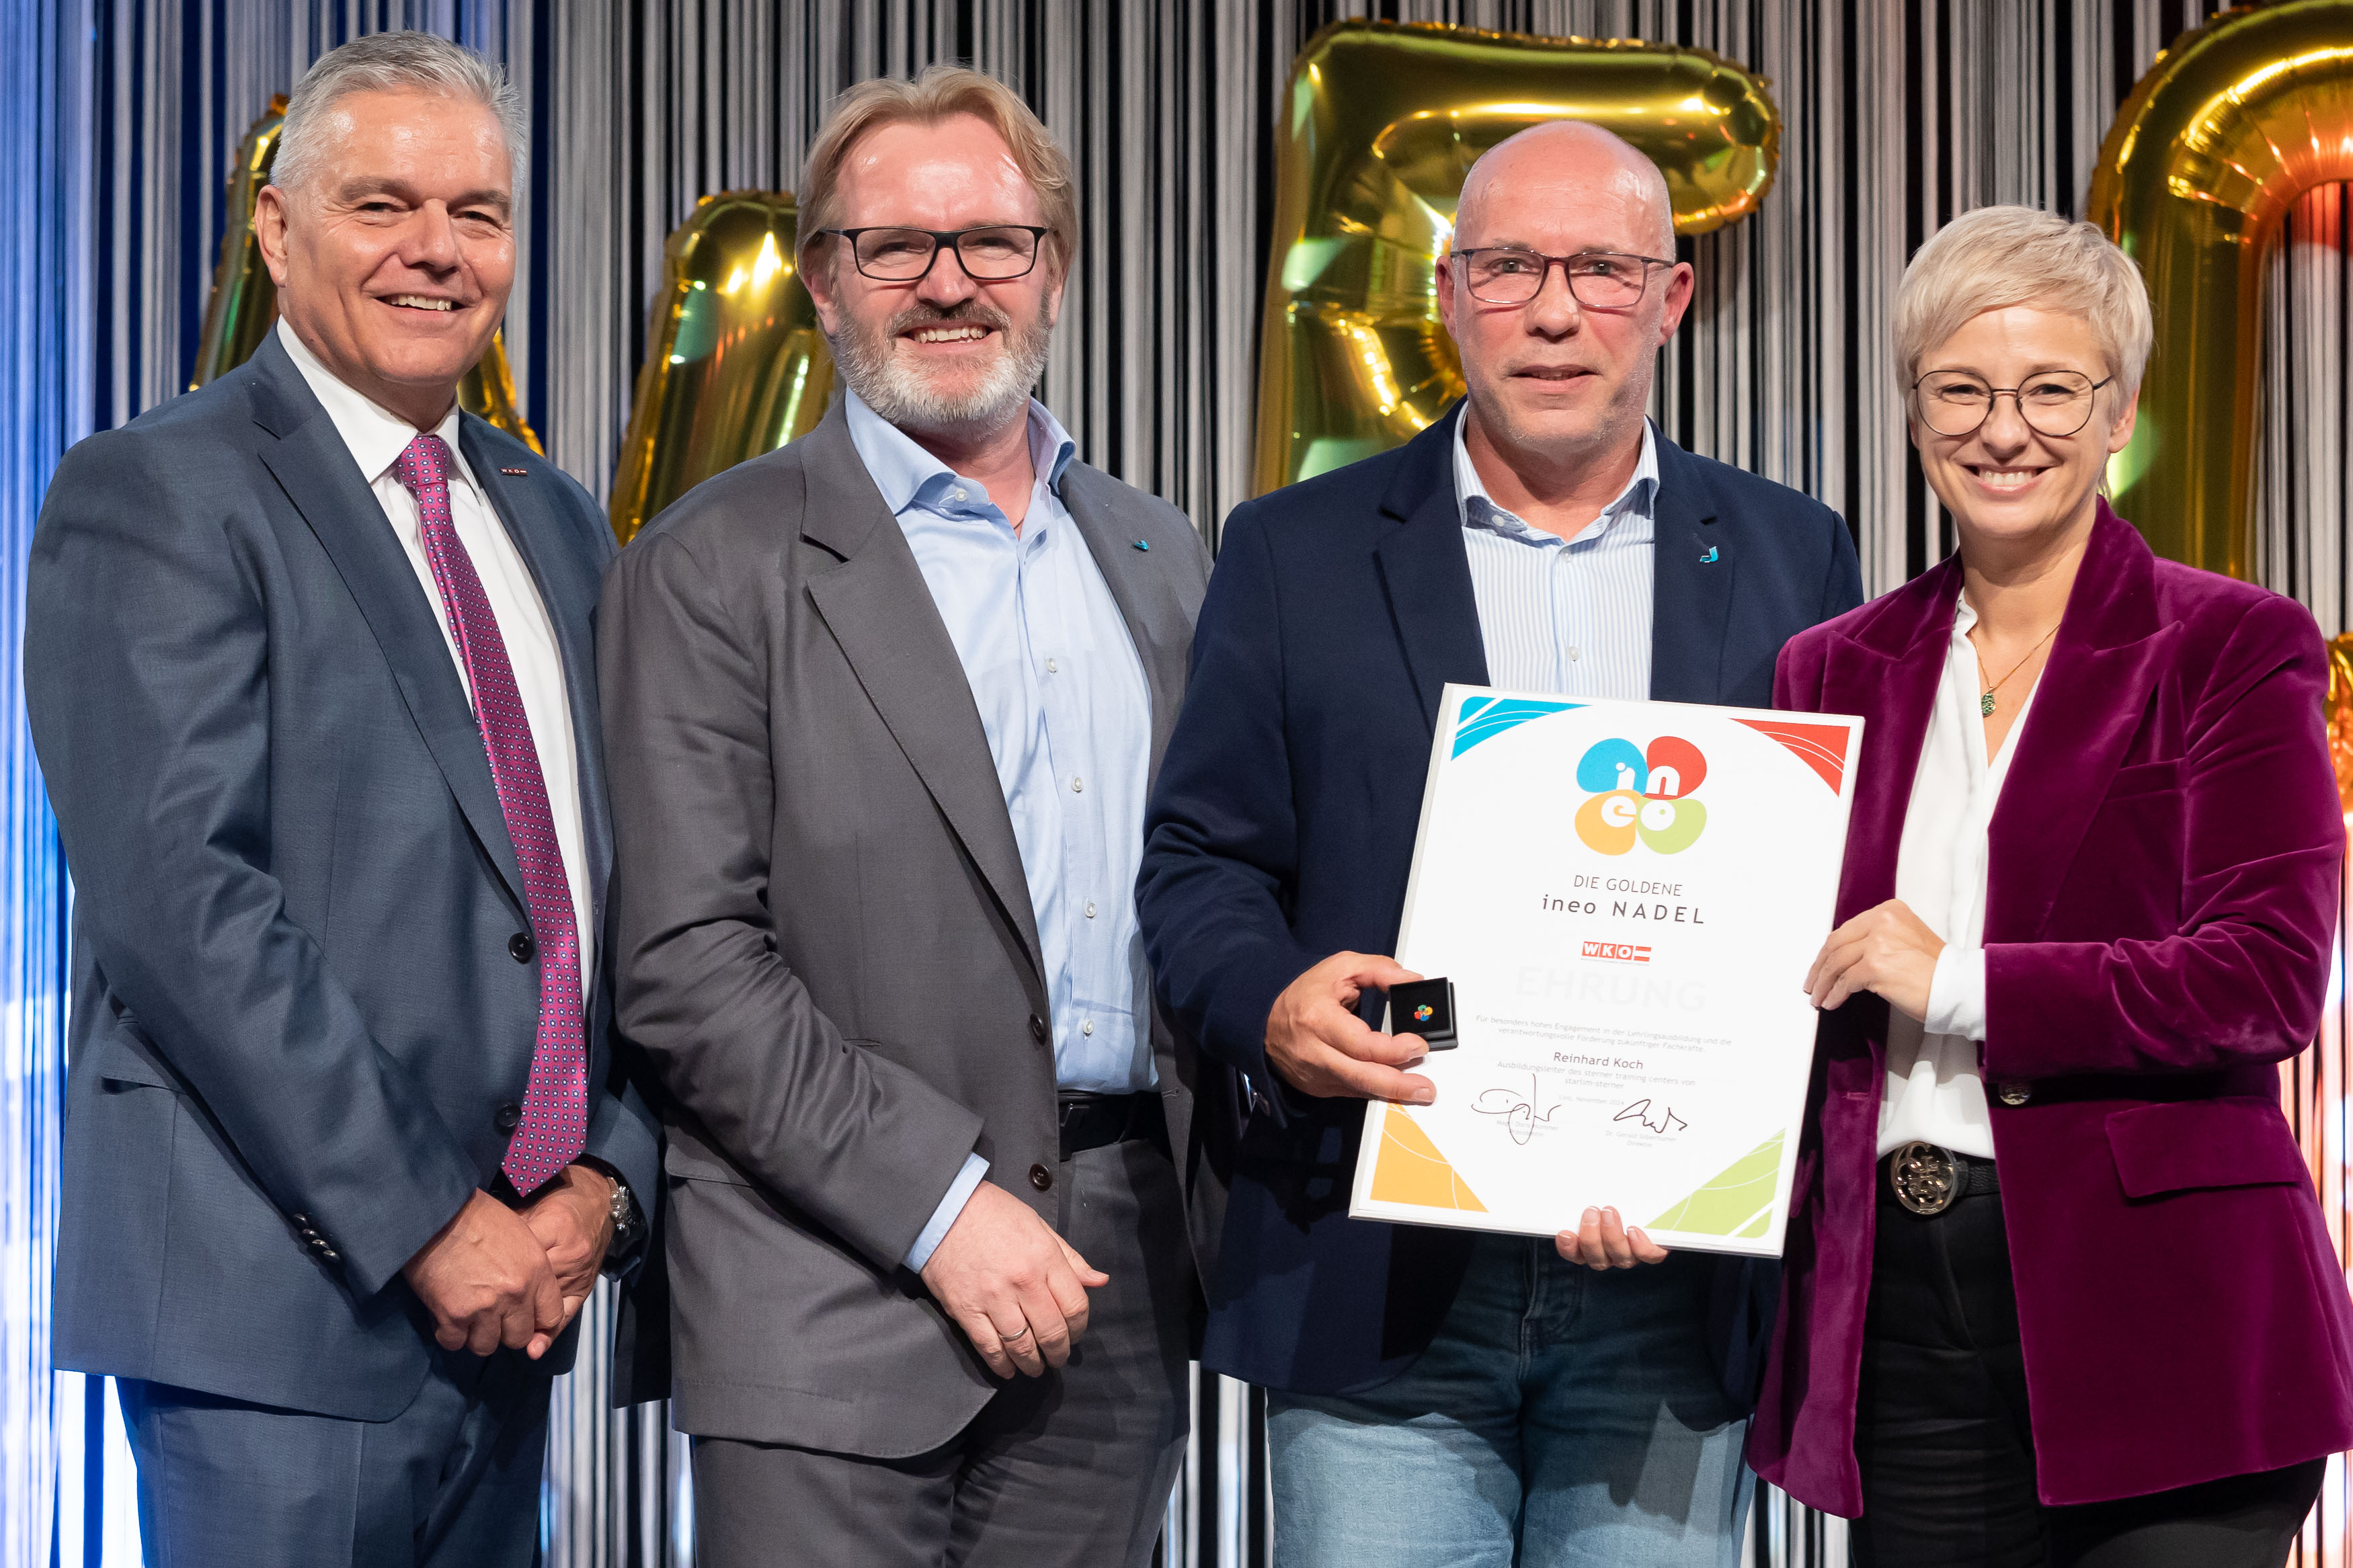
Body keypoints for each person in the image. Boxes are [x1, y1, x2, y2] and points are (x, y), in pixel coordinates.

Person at [1137, 120, 1862, 1568]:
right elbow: (1199, 862)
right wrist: (1270, 1006)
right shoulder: (1297, 548)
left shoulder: (1794, 551)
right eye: (1511, 265)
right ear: (1450, 291)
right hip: (1378, 1269)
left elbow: (1836, 878)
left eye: (1599, 268)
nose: (1550, 309)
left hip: (1674, 1292)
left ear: (1671, 299)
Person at [26, 32, 657, 1567]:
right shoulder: (157, 489)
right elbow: (183, 905)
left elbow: (616, 895)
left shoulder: (555, 520)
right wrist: (434, 1222)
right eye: (382, 205)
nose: (437, 252)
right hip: (277, 1323)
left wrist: (604, 1188)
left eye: (478, 213)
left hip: (518, 1312)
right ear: (276, 228)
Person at [598, 65, 1211, 1568]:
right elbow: (684, 962)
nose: (951, 285)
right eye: (896, 248)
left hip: (1114, 1281)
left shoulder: (1156, 552)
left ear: (1052, 270)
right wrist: (942, 1204)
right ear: (824, 281)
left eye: (993, 242)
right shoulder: (710, 564)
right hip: (828, 1288)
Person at [1749, 204, 2353, 1567]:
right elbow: (1776, 982)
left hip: (2173, 1322)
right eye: (1959, 388)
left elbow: (2262, 977)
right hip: (1901, 1322)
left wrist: (1955, 982)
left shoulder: (2233, 645)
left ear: (2118, 409)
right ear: (1913, 412)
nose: (2001, 429)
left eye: (2048, 390)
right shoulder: (1828, 668)